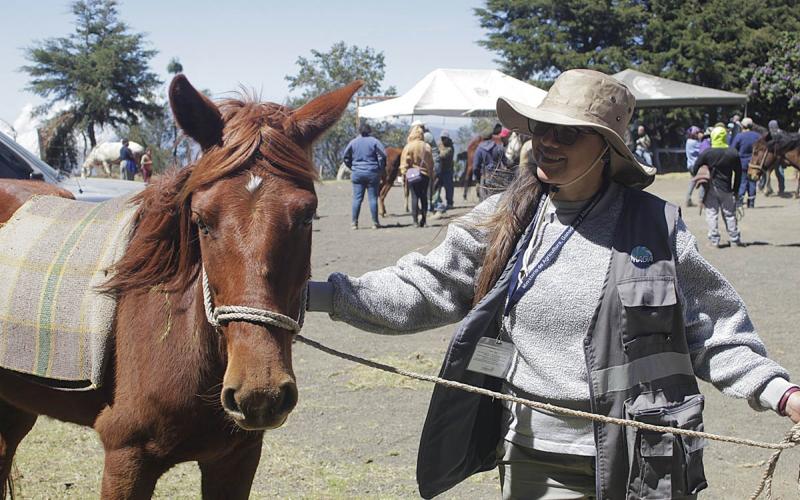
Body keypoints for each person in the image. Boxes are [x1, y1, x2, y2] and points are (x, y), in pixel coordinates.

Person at [307, 69, 800, 499]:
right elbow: (425, 286)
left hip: (645, 456)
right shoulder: (504, 217)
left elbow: (713, 332)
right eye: (542, 127)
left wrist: (783, 392)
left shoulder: (657, 227)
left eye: (567, 133)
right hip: (534, 456)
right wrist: (314, 296)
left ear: (606, 149)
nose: (547, 141)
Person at [691, 125, 743, 247]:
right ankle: (734, 239)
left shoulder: (707, 153)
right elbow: (739, 174)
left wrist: (701, 175)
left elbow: (695, 167)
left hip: (711, 188)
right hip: (727, 189)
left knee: (711, 214)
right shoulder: (733, 152)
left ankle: (715, 240)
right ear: (725, 137)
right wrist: (736, 190)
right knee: (730, 214)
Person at [343, 123, 387, 229]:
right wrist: (380, 168)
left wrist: (352, 167)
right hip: (372, 173)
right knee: (372, 198)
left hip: (357, 173)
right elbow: (383, 156)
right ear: (370, 130)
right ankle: (375, 223)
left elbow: (345, 157)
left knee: (357, 198)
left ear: (359, 131)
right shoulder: (375, 142)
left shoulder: (353, 142)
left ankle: (354, 223)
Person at [399, 124, 433, 227]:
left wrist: (404, 173)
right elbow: (431, 163)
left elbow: (404, 163)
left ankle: (415, 221)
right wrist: (430, 173)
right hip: (425, 174)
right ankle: (424, 220)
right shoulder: (427, 146)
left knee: (414, 196)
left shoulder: (408, 146)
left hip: (412, 173)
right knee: (424, 197)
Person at [731, 117, 761, 208]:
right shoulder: (757, 136)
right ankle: (751, 202)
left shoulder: (739, 136)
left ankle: (740, 201)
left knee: (742, 182)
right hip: (754, 163)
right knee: (752, 182)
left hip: (741, 162)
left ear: (742, 126)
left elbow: (733, 148)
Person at [473, 129, 507, 200]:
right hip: (498, 177)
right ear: (491, 137)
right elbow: (506, 162)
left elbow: (476, 167)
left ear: (482, 138)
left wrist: (478, 179)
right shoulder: (499, 147)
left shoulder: (479, 149)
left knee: (484, 200)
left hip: (485, 178)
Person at [433, 130, 455, 212]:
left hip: (447, 170)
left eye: (445, 138)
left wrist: (436, 153)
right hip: (439, 170)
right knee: (436, 186)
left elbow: (442, 155)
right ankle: (437, 201)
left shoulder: (450, 148)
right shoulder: (439, 144)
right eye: (442, 138)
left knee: (448, 187)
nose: (443, 140)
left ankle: (450, 203)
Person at [684, 126, 703, 207]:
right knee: (702, 182)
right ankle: (702, 200)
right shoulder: (694, 143)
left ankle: (688, 199)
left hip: (690, 165)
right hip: (696, 165)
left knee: (693, 182)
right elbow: (703, 148)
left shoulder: (689, 141)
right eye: (697, 133)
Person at [423, 130, 440, 213]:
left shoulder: (426, 136)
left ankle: (435, 206)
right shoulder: (429, 135)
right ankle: (434, 205)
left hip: (432, 164)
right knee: (434, 186)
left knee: (431, 186)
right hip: (435, 163)